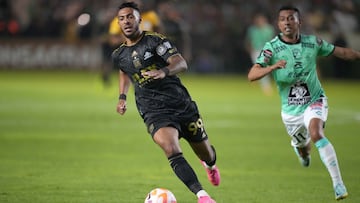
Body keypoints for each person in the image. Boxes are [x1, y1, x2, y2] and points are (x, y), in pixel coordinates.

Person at [247, 5, 360, 201]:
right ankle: (303, 153)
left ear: (300, 22)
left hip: (315, 100)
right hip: (291, 111)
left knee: (316, 133)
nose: (287, 22)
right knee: (303, 146)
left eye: (291, 18)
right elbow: (252, 75)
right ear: (278, 24)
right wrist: (272, 67)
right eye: (283, 19)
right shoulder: (271, 48)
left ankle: (338, 184)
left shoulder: (312, 42)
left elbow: (340, 52)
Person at [112, 2, 220, 203]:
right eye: (122, 18)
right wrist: (122, 97)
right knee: (171, 148)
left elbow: (181, 62)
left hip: (180, 104)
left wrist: (163, 71)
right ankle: (202, 196)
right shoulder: (119, 55)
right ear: (118, 22)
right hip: (153, 110)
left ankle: (211, 165)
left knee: (207, 153)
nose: (126, 21)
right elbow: (124, 71)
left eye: (130, 16)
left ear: (139, 20)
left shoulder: (156, 42)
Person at [101, 0, 163, 86]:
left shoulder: (151, 16)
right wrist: (127, 39)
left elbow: (159, 32)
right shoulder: (119, 19)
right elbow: (113, 39)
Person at [245, 12, 275, 96]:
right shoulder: (252, 30)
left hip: (266, 51)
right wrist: (249, 49)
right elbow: (248, 40)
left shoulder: (269, 29)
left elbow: (272, 40)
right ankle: (266, 87)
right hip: (256, 50)